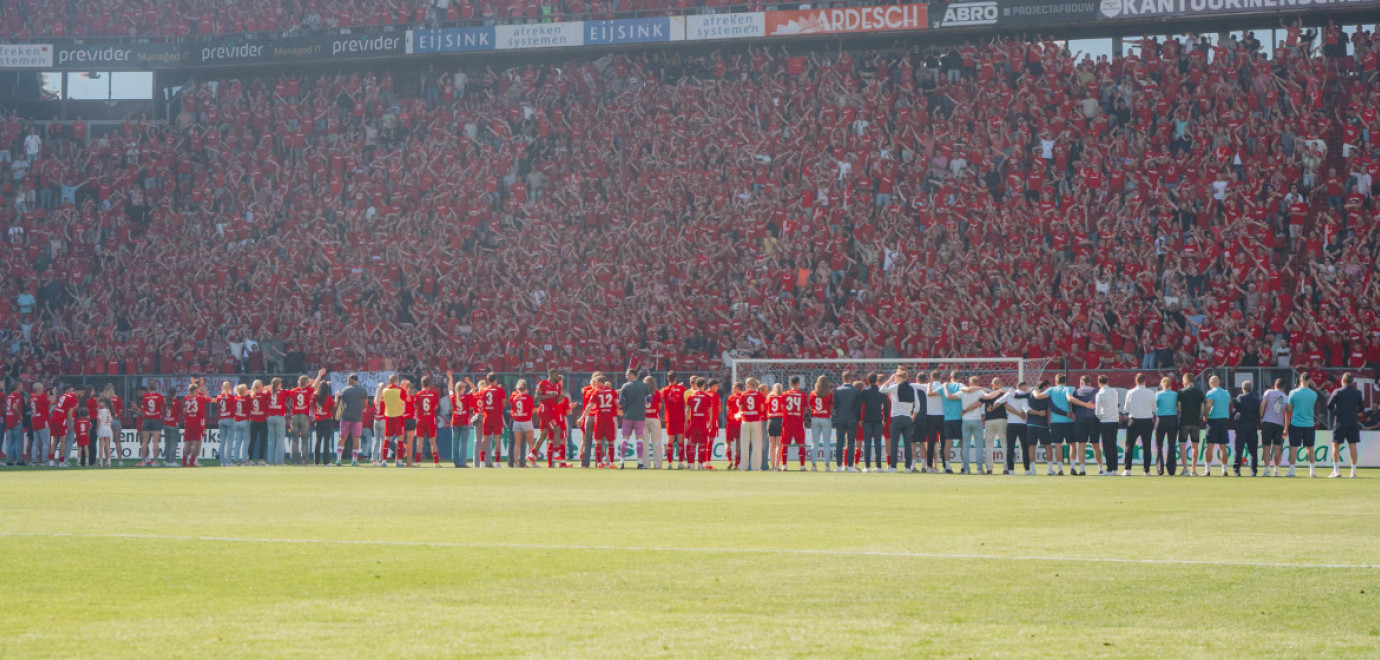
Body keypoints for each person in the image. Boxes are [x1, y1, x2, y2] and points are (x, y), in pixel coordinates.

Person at [881, 369, 919, 473]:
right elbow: (918, 406)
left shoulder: (895, 387)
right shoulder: (912, 389)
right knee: (907, 444)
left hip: (896, 418)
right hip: (907, 418)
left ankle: (893, 467)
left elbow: (882, 389)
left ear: (899, 377)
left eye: (896, 377)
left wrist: (889, 380)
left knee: (894, 443)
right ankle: (908, 467)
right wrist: (913, 416)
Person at [1326, 372, 1363, 478]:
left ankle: (1336, 470)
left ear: (1343, 380)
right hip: (1352, 421)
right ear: (1352, 382)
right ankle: (1353, 472)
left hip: (1340, 421)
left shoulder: (1337, 392)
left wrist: (1337, 410)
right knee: (1353, 446)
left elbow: (1329, 406)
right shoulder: (1357, 393)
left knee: (1335, 445)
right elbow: (1361, 408)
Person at [1285, 372, 1321, 478]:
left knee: (1293, 447)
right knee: (1310, 448)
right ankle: (1312, 471)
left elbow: (1289, 409)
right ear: (1309, 380)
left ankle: (1292, 471)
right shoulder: (1314, 394)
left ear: (1300, 380)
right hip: (1309, 424)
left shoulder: (1293, 393)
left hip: (1296, 424)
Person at [1122, 373, 1157, 476]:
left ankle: (1127, 469)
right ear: (1145, 381)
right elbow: (1154, 409)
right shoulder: (1151, 392)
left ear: (1136, 381)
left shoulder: (1131, 392)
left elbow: (1126, 408)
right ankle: (1147, 471)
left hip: (1134, 420)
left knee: (1129, 446)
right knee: (1147, 446)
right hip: (1147, 421)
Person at [953, 376, 988, 474]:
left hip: (966, 420)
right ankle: (979, 469)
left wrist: (946, 388)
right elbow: (987, 397)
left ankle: (966, 468)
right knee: (979, 446)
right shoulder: (979, 392)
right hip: (977, 419)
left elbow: (951, 397)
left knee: (965, 446)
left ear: (970, 383)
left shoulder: (963, 391)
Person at [529, 371, 564, 467]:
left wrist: (560, 398)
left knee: (543, 434)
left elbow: (555, 400)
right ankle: (556, 455)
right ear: (552, 375)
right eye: (556, 375)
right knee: (557, 430)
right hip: (544, 410)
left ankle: (532, 455)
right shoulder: (543, 384)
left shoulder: (558, 386)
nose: (558, 377)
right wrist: (549, 396)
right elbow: (536, 397)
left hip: (550, 411)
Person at [616, 370, 649, 469]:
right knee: (639, 439)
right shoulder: (644, 386)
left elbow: (621, 402)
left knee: (625, 439)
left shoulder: (625, 386)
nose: (626, 377)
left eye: (627, 375)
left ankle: (621, 463)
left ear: (632, 375)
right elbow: (649, 400)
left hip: (628, 416)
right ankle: (639, 463)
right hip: (640, 416)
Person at [1044, 374, 1075, 476]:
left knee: (1058, 446)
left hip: (1055, 422)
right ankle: (1072, 467)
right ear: (1065, 381)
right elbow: (1070, 400)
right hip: (1068, 421)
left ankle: (1060, 469)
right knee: (1072, 445)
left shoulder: (1051, 390)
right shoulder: (1068, 388)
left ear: (1056, 381)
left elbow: (1039, 396)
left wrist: (1033, 391)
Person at [999, 382, 1032, 475]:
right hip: (1022, 424)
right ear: (1022, 386)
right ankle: (1027, 470)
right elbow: (1026, 409)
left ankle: (1011, 470)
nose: (1027, 388)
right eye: (1026, 386)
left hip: (1011, 424)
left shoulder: (1009, 394)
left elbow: (998, 402)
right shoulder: (1024, 396)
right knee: (1025, 448)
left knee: (1010, 448)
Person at [1069, 376, 1100, 475]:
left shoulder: (1076, 392)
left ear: (1081, 383)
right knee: (1095, 444)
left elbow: (1073, 408)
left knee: (1081, 444)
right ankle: (1101, 469)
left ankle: (1082, 470)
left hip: (1080, 419)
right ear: (1090, 383)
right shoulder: (1096, 390)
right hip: (1093, 419)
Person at [685, 377, 718, 471]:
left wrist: (686, 422)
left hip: (693, 423)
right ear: (704, 385)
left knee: (692, 444)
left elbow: (687, 410)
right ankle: (700, 465)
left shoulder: (691, 396)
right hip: (703, 423)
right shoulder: (707, 397)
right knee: (702, 445)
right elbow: (710, 411)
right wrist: (711, 422)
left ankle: (691, 465)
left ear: (696, 385)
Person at [832, 372, 862, 472]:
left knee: (839, 442)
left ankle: (839, 466)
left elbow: (835, 406)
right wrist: (858, 418)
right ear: (851, 379)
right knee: (851, 442)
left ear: (842, 378)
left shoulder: (837, 391)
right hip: (852, 419)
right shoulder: (856, 391)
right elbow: (858, 407)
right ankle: (850, 466)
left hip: (840, 419)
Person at [1177, 374, 1206, 477]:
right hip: (1195, 422)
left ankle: (1185, 469)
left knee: (1182, 445)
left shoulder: (1181, 392)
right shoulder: (1200, 392)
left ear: (1186, 380)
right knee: (1195, 446)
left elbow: (1179, 408)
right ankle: (1193, 470)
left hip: (1184, 421)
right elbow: (1202, 408)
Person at [1203, 375, 1232, 476]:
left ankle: (1207, 470)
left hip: (1213, 420)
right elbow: (1229, 404)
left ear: (1210, 383)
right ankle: (1224, 470)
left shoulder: (1210, 393)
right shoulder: (1226, 393)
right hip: (1224, 420)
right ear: (1219, 382)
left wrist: (1205, 415)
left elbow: (1209, 404)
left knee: (1209, 446)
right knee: (1223, 447)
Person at [978, 377, 1007, 476]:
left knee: (989, 445)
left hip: (990, 420)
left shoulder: (988, 394)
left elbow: (980, 401)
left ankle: (989, 468)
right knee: (1004, 444)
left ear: (992, 385)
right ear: (1000, 384)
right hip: (1002, 419)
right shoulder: (1003, 393)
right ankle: (1006, 468)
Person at [1260, 378, 1289, 477]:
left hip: (1267, 422)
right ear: (1283, 387)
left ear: (1275, 385)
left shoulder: (1268, 392)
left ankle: (1267, 470)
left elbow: (1263, 404)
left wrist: (1261, 416)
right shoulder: (1286, 397)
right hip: (1279, 424)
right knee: (1277, 447)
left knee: (1267, 447)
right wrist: (1286, 428)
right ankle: (1276, 470)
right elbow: (1287, 414)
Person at [446, 373, 476, 467]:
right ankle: (463, 463)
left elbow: (450, 389)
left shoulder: (454, 397)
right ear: (463, 388)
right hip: (464, 422)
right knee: (463, 444)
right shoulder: (466, 397)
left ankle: (456, 463)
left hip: (455, 422)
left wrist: (450, 378)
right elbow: (474, 389)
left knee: (455, 443)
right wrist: (469, 382)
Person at [737, 377, 767, 471]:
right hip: (756, 421)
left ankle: (743, 466)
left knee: (744, 445)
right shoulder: (759, 395)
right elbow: (762, 408)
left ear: (748, 385)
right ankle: (755, 467)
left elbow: (740, 409)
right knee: (756, 445)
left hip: (745, 421)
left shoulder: (743, 394)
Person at [478, 374, 507, 469]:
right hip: (497, 417)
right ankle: (497, 463)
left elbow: (481, 405)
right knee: (497, 439)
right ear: (496, 380)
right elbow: (504, 404)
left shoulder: (483, 390)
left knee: (484, 440)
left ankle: (482, 462)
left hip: (487, 417)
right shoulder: (500, 390)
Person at [1093, 375, 1120, 476]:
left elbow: (1098, 412)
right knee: (1113, 444)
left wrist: (1101, 417)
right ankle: (1115, 469)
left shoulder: (1100, 394)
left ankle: (1109, 469)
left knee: (1107, 446)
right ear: (1107, 382)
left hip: (1105, 421)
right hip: (1115, 420)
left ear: (1099, 383)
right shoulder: (1114, 391)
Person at [1233, 381, 1262, 477]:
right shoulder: (1256, 399)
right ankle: (1253, 471)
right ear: (1251, 388)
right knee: (1253, 451)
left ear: (1243, 388)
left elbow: (1236, 409)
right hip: (1252, 427)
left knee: (1239, 449)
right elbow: (1259, 411)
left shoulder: (1240, 397)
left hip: (1241, 427)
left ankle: (1237, 470)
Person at [588, 376, 618, 469]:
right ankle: (612, 464)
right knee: (611, 442)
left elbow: (590, 405)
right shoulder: (612, 391)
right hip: (609, 419)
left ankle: (600, 463)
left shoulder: (596, 391)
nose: (596, 384)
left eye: (596, 382)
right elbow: (617, 404)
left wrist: (583, 416)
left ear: (600, 382)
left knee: (598, 442)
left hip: (599, 418)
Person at [1026, 381, 1055, 475]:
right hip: (1042, 424)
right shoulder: (1046, 395)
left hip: (1030, 424)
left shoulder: (1030, 394)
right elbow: (1052, 407)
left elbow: (1027, 409)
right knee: (1048, 446)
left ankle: (1033, 470)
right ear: (1046, 386)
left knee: (1031, 446)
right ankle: (1050, 469)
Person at [779, 377, 808, 471]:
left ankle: (784, 465)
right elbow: (805, 409)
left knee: (785, 444)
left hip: (787, 422)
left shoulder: (784, 394)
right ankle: (802, 466)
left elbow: (782, 407)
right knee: (801, 444)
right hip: (798, 422)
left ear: (790, 383)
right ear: (798, 383)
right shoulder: (803, 395)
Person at [182, 378, 211, 467]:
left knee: (187, 443)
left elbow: (184, 410)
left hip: (188, 422)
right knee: (196, 442)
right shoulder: (200, 398)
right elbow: (207, 397)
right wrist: (202, 387)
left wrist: (194, 384)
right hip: (197, 423)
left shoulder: (186, 398)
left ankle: (184, 461)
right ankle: (192, 461)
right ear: (196, 390)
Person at [1154, 377, 1180, 476]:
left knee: (1159, 445)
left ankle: (1160, 468)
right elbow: (1178, 406)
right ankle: (1171, 469)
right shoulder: (1175, 394)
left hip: (1161, 419)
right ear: (1170, 384)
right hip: (1173, 419)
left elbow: (1154, 406)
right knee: (1172, 444)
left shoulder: (1158, 394)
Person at [661, 373, 687, 469]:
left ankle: (670, 463)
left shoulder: (665, 390)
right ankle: (680, 463)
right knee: (680, 441)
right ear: (676, 378)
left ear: (668, 378)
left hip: (669, 418)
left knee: (670, 441)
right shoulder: (682, 389)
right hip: (680, 417)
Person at [922, 370, 948, 472]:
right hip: (942, 416)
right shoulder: (944, 387)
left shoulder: (927, 386)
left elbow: (915, 385)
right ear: (940, 377)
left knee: (931, 442)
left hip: (930, 416)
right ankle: (946, 466)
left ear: (931, 378)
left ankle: (929, 466)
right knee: (944, 442)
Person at [807, 375, 833, 472]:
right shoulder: (829, 394)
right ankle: (827, 465)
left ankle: (813, 465)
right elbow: (831, 406)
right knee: (827, 443)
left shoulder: (812, 393)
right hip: (825, 418)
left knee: (815, 442)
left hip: (815, 417)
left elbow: (810, 405)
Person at [507, 379, 534, 468]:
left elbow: (511, 404)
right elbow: (532, 409)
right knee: (530, 442)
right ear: (525, 388)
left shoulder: (514, 396)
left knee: (516, 444)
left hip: (516, 421)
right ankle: (531, 462)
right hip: (526, 421)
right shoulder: (528, 397)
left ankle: (515, 463)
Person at [138, 381, 164, 467]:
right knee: (155, 442)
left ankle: (144, 461)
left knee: (145, 442)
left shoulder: (145, 397)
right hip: (156, 419)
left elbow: (143, 407)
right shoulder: (160, 396)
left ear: (148, 388)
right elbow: (162, 407)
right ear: (156, 388)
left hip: (147, 419)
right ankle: (155, 461)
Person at [265, 377, 289, 466]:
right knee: (280, 440)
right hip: (279, 417)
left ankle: (270, 461)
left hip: (270, 417)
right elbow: (291, 392)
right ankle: (279, 462)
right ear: (279, 384)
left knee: (271, 440)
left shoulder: (269, 392)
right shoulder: (282, 392)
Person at [642, 376, 664, 470]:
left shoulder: (642, 393)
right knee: (657, 443)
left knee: (644, 444)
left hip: (644, 419)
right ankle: (658, 465)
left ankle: (646, 465)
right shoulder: (657, 393)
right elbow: (660, 406)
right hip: (654, 419)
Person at [312, 380, 335, 466]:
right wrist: (336, 397)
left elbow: (314, 392)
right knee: (326, 442)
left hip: (318, 420)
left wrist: (321, 386)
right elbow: (334, 406)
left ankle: (316, 462)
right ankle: (326, 462)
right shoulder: (329, 398)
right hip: (327, 420)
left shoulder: (315, 397)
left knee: (318, 441)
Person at [215, 381, 237, 466]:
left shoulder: (219, 397)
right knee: (230, 442)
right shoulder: (232, 397)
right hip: (230, 419)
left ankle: (222, 462)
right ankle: (228, 462)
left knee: (222, 442)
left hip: (221, 419)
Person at [247, 379, 269, 466]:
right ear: (260, 386)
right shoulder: (263, 395)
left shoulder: (251, 396)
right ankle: (261, 459)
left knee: (252, 440)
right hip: (262, 420)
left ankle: (250, 459)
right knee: (262, 441)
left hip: (253, 420)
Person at [230, 384, 252, 466]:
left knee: (237, 442)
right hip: (245, 421)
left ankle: (235, 460)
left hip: (237, 421)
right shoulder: (247, 399)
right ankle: (244, 460)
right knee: (246, 442)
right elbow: (251, 395)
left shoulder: (235, 398)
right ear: (244, 391)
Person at [4, 381, 24, 466]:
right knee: (18, 442)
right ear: (18, 386)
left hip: (9, 420)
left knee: (10, 442)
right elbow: (15, 406)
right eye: (21, 385)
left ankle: (8, 460)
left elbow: (6, 408)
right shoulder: (17, 396)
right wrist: (20, 416)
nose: (22, 387)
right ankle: (19, 460)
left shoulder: (9, 396)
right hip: (16, 421)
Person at [96, 399, 114, 467]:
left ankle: (100, 461)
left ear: (104, 403)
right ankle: (109, 461)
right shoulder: (108, 410)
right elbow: (111, 420)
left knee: (101, 445)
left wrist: (97, 429)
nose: (99, 404)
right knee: (107, 445)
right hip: (108, 427)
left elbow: (99, 420)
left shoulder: (100, 410)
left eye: (100, 402)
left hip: (102, 427)